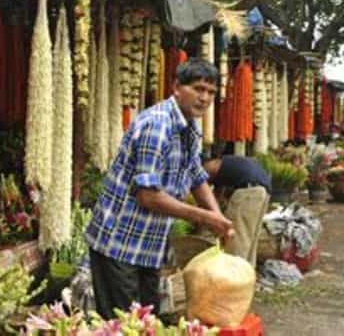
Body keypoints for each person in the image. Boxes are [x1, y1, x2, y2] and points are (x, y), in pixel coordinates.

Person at [84, 59, 233, 319]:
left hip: (147, 245)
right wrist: (204, 217)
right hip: (118, 242)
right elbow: (148, 195)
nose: (204, 98)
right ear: (176, 87)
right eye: (198, 88)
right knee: (121, 325)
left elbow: (196, 176)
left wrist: (218, 218)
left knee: (146, 321)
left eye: (210, 92)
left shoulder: (189, 127)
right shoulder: (158, 125)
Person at [201, 151, 271, 267]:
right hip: (263, 192)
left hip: (248, 192)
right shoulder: (229, 165)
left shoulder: (209, 167)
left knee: (236, 239)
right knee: (249, 240)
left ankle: (232, 276)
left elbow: (203, 189)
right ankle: (246, 277)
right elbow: (215, 197)